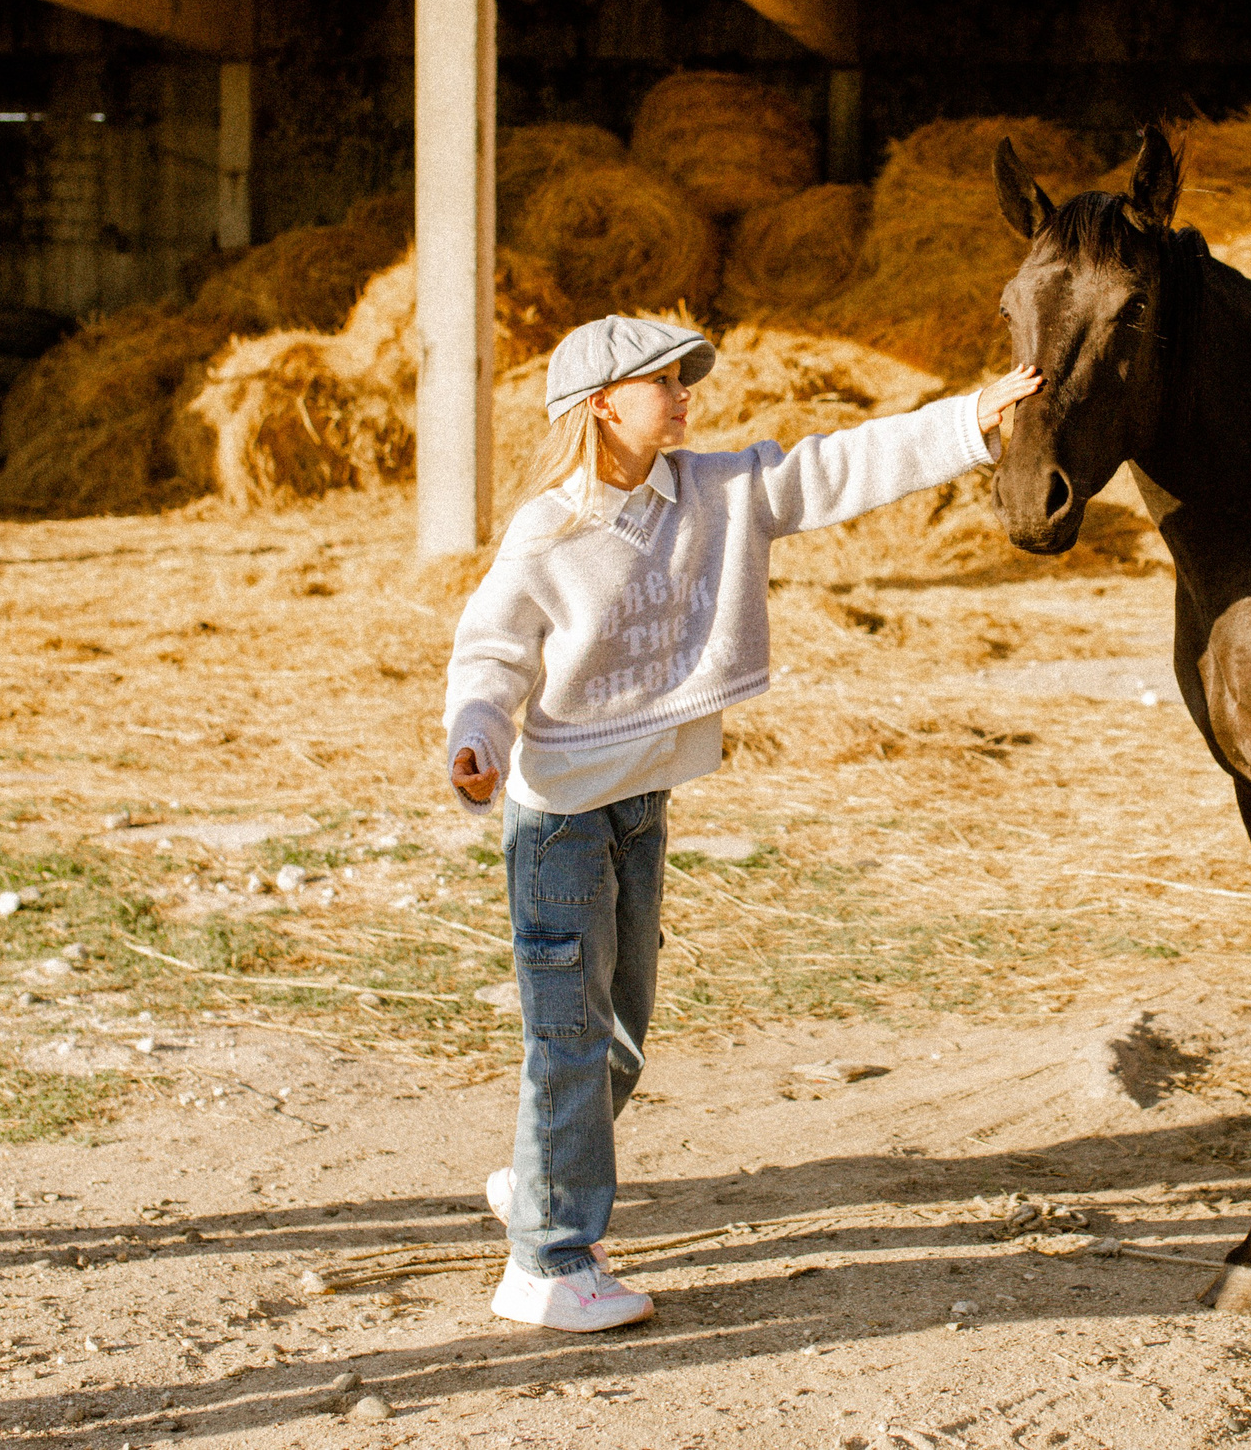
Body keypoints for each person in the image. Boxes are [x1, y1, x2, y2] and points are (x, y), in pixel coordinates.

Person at [444, 314, 1042, 1332]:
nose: (685, 397)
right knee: (569, 1038)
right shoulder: (549, 528)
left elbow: (835, 468)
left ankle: (545, 1171)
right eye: (663, 384)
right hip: (559, 825)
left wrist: (967, 422)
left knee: (619, 1038)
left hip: (637, 807)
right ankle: (545, 1262)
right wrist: (477, 736)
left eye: (685, 380)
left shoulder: (714, 495)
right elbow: (491, 649)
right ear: (602, 405)